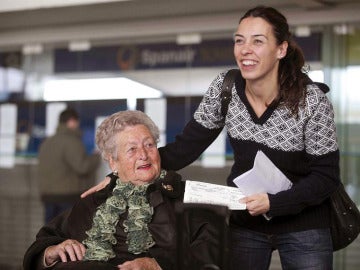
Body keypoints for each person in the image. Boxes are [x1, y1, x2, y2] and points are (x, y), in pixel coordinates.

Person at [82, 5, 340, 269]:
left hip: (305, 224)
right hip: (247, 221)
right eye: (239, 40)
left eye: (258, 41)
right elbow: (185, 148)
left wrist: (274, 203)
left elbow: (326, 176)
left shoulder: (311, 100)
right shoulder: (224, 88)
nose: (245, 49)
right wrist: (121, 174)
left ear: (281, 49)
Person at [24, 110, 227, 270]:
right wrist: (50, 252)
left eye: (149, 145)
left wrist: (160, 265)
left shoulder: (186, 198)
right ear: (113, 162)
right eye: (132, 149)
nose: (144, 155)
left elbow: (214, 250)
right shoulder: (93, 202)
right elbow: (44, 242)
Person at [38, 107, 101, 223]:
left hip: (48, 196)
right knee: (67, 233)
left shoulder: (47, 142)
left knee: (50, 233)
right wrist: (96, 157)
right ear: (72, 121)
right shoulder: (72, 141)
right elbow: (82, 167)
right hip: (67, 196)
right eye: (77, 122)